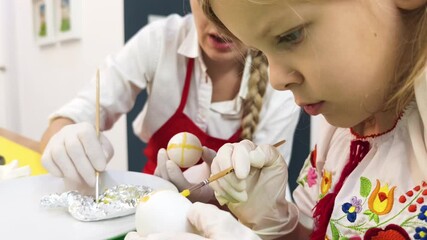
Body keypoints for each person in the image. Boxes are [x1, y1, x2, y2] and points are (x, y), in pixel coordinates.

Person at [124, 0, 427, 239]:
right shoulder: (337, 136)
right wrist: (271, 219)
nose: (275, 80)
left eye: (289, 35)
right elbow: (312, 233)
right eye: (261, 53)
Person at [39, 0, 300, 203]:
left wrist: (216, 194)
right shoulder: (161, 40)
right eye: (207, 2)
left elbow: (268, 194)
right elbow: (75, 114)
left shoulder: (277, 78)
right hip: (152, 214)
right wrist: (66, 139)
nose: (219, 21)